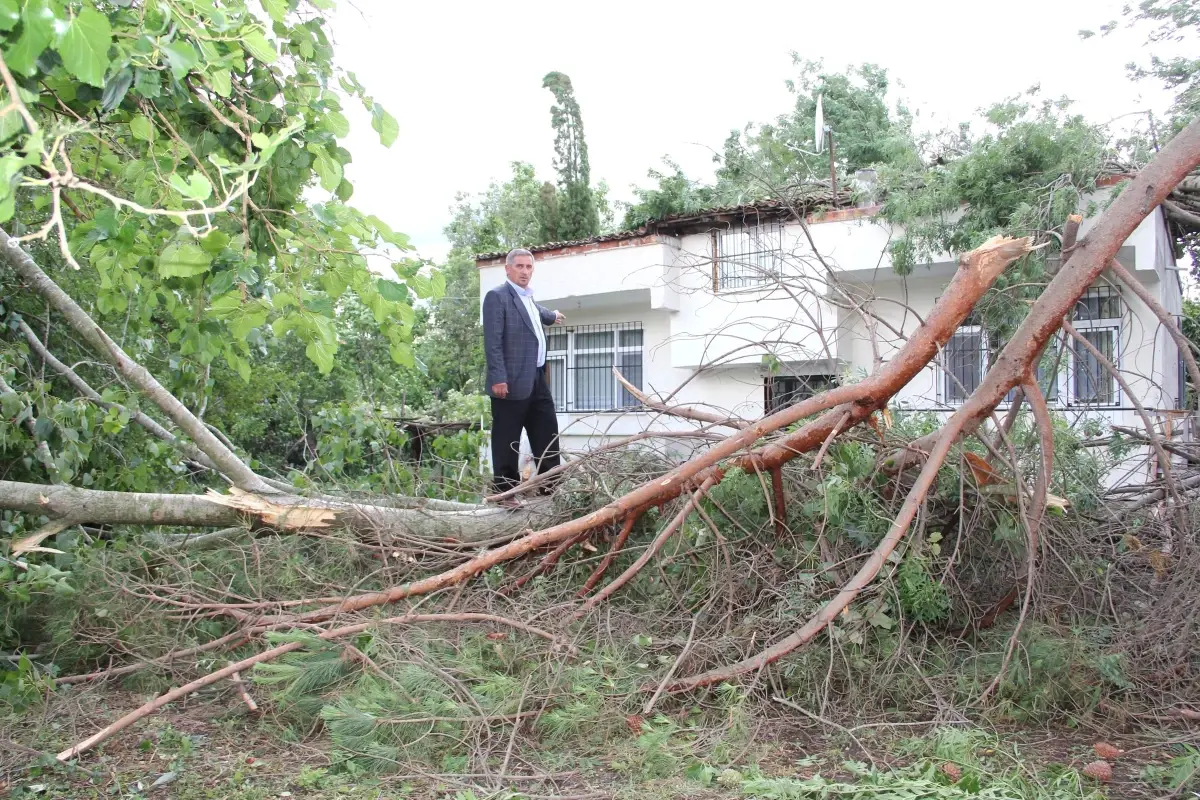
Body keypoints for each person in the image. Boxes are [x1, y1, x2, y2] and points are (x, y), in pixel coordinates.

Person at [483, 248, 566, 497]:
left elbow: (536, 312)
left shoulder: (527, 298)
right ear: (507, 269)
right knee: (507, 438)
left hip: (537, 378)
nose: (525, 272)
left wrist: (552, 316)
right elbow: (493, 341)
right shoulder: (497, 296)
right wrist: (498, 377)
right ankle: (506, 492)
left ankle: (550, 488)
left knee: (547, 431)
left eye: (529, 267)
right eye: (519, 266)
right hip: (509, 381)